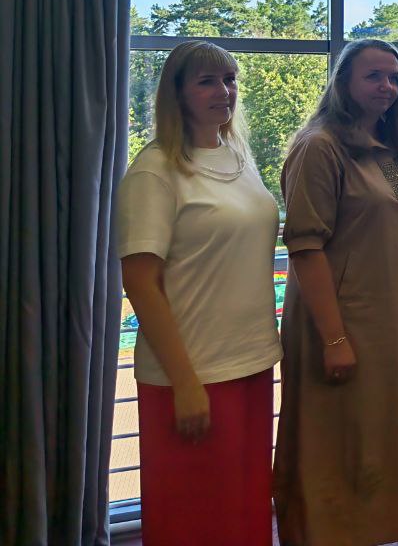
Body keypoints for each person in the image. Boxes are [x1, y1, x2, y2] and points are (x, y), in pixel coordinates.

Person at [117, 41, 280, 546]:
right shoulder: (155, 170)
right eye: (207, 81)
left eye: (229, 80)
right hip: (191, 373)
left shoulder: (238, 157)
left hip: (252, 362)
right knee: (193, 516)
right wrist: (185, 383)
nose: (224, 91)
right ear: (177, 94)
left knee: (245, 506)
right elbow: (139, 281)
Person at [274, 39, 398, 546]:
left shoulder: (393, 147)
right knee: (331, 445)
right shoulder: (319, 146)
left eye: (394, 78)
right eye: (373, 76)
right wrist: (335, 338)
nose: (387, 86)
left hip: (389, 323)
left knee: (378, 443)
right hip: (339, 324)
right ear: (343, 82)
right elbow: (305, 247)